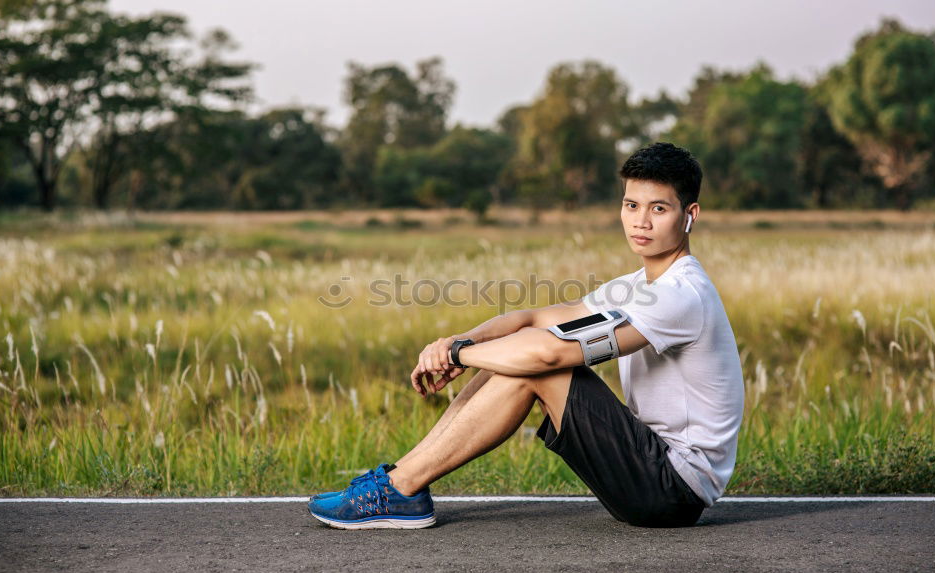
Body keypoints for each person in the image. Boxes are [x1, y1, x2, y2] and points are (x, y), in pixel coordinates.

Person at [308, 142, 745, 529]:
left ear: (690, 215)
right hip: (648, 470)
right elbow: (534, 316)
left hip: (672, 488)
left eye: (659, 208)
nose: (641, 221)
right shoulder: (636, 285)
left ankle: (400, 489)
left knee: (537, 367)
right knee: (511, 357)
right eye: (631, 206)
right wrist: (459, 342)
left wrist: (462, 356)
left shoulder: (682, 295)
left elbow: (551, 357)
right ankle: (399, 484)